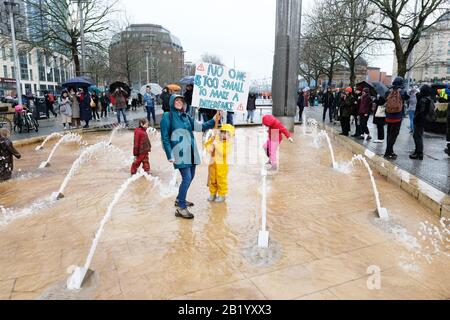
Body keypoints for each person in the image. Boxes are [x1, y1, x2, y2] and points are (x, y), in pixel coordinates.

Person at [160, 95, 221, 219]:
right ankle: (181, 208)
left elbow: (200, 127)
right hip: (179, 152)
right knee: (186, 177)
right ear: (172, 102)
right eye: (177, 100)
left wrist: (214, 119)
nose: (179, 102)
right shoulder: (168, 116)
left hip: (191, 150)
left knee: (191, 176)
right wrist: (169, 154)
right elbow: (165, 137)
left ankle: (179, 199)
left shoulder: (187, 116)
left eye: (181, 101)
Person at [205, 122, 235, 203]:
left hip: (222, 165)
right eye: (223, 132)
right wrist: (210, 147)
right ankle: (212, 193)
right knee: (212, 179)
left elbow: (224, 152)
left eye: (227, 134)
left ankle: (222, 194)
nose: (224, 135)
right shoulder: (215, 138)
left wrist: (216, 145)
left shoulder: (228, 143)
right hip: (212, 164)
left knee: (221, 180)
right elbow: (207, 144)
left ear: (230, 135)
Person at [384, 76, 409, 160]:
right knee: (394, 134)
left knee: (389, 133)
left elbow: (384, 99)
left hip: (388, 115)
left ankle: (389, 151)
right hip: (397, 116)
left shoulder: (388, 91)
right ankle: (388, 152)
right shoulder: (402, 92)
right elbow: (407, 98)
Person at [410, 85, 434, 160]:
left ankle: (419, 153)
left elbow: (421, 111)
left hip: (419, 121)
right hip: (423, 121)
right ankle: (417, 152)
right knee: (417, 136)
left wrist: (416, 119)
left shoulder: (423, 100)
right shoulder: (428, 98)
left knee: (417, 137)